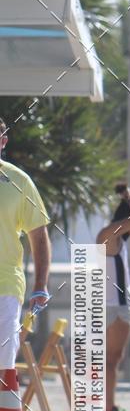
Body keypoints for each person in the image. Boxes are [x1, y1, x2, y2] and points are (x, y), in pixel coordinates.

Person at [0, 116, 51, 383]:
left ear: (3, 141)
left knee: (2, 365)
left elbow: (39, 236)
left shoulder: (19, 181)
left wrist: (40, 285)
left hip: (5, 288)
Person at [97, 183, 130, 411]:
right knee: (109, 359)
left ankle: (108, 406)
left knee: (113, 359)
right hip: (112, 306)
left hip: (117, 305)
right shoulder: (107, 235)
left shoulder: (118, 241)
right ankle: (104, 407)